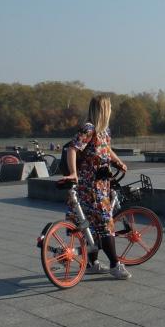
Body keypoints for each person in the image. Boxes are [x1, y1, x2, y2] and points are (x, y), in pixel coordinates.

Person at [60, 95, 131, 279]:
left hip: (100, 183)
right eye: (109, 107)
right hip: (90, 187)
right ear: (104, 109)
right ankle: (116, 265)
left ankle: (92, 264)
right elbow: (72, 149)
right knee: (106, 226)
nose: (111, 110)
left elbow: (106, 149)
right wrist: (73, 173)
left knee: (91, 228)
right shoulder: (89, 128)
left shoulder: (104, 130)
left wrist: (118, 162)